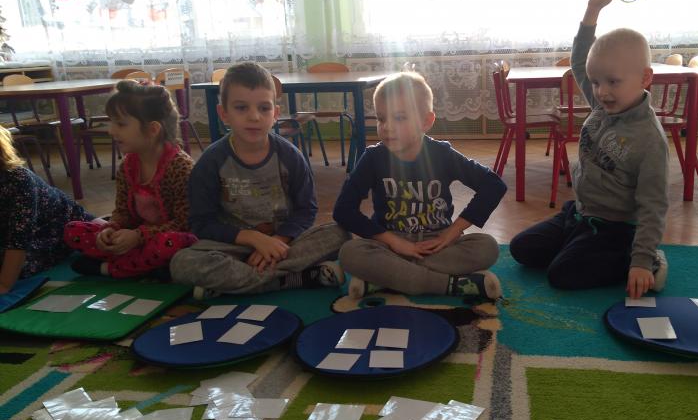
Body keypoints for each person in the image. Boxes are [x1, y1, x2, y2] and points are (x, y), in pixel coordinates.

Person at [509, 0, 669, 299]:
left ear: (645, 78)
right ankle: (578, 246)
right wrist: (593, 9)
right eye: (596, 82)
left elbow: (653, 206)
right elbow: (580, 60)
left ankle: (648, 260)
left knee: (562, 274)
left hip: (615, 229)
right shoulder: (602, 105)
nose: (601, 91)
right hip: (579, 214)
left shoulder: (650, 140)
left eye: (613, 82)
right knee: (522, 248)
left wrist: (639, 261)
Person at [169, 62, 349, 298]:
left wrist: (277, 241)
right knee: (182, 262)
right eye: (241, 108)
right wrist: (252, 238)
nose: (254, 116)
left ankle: (239, 281)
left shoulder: (290, 156)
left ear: (275, 114)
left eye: (264, 108)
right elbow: (201, 223)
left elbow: (306, 210)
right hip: (232, 247)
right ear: (224, 114)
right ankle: (292, 278)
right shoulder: (211, 162)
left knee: (340, 234)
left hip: (284, 244)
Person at [334, 71, 507, 299]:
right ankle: (447, 284)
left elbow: (493, 185)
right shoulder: (373, 159)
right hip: (391, 245)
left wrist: (454, 231)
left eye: (399, 118)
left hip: (437, 244)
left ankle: (388, 279)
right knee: (350, 252)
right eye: (381, 118)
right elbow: (343, 210)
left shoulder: (442, 154)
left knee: (487, 246)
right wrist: (394, 242)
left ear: (426, 121)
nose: (387, 127)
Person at [64, 80, 197, 278]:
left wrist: (139, 236)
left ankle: (108, 268)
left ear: (152, 130)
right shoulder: (128, 166)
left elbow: (185, 223)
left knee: (169, 244)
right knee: (73, 229)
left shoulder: (180, 168)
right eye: (112, 122)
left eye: (121, 124)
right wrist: (111, 229)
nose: (111, 130)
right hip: (135, 238)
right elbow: (122, 212)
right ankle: (140, 265)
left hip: (167, 239)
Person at [0, 127, 93, 293]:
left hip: (59, 229)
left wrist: (4, 285)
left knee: (13, 265)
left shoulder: (17, 180)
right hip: (16, 234)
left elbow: (18, 240)